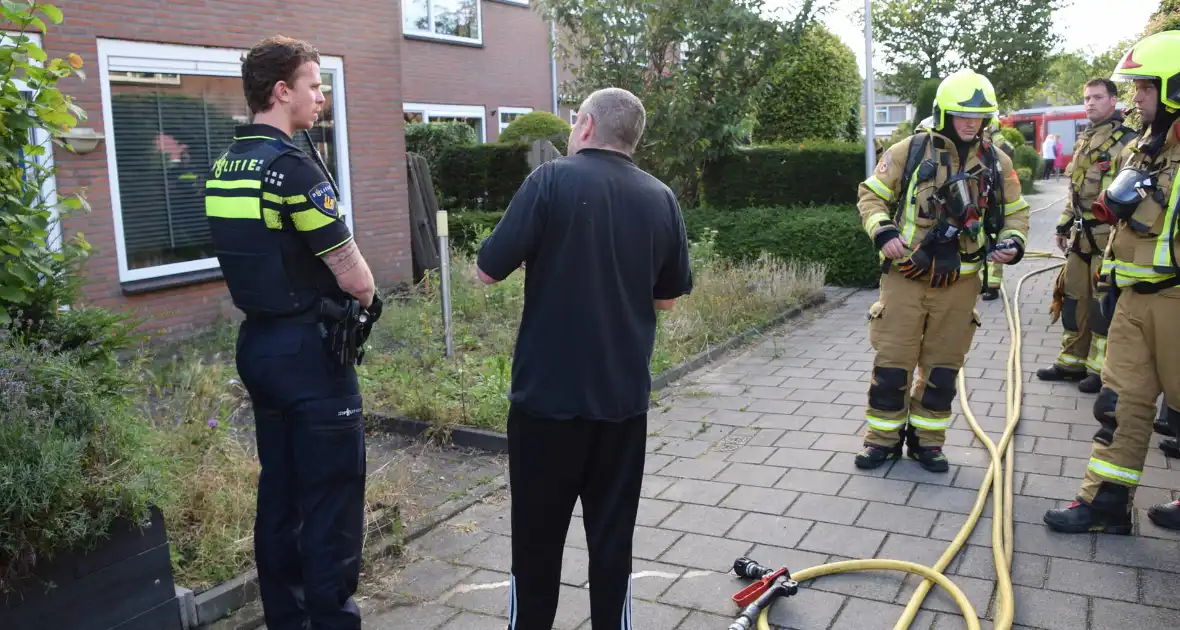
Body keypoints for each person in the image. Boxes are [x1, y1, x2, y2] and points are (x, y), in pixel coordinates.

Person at [474, 87, 693, 629]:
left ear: (587, 126)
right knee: (612, 542)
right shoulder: (660, 197)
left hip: (545, 404)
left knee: (536, 544)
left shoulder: (550, 180)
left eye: (575, 125)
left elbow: (485, 270)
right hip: (621, 403)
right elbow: (665, 297)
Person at [203, 35, 381, 629]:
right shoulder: (293, 170)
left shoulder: (225, 167)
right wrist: (369, 295)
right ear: (282, 92)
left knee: (280, 495)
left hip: (259, 348)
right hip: (311, 355)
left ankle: (287, 618)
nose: (321, 96)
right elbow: (353, 276)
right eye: (312, 84)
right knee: (329, 500)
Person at [855, 69, 1030, 473]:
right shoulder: (910, 150)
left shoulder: (997, 162)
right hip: (906, 279)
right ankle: (881, 441)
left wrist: (1012, 242)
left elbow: (1016, 213)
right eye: (963, 115)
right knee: (892, 366)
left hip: (960, 284)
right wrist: (882, 232)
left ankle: (926, 443)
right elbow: (871, 195)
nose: (972, 123)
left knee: (942, 371)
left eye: (980, 116)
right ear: (944, 113)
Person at [1043, 29, 1180, 534]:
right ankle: (1104, 504)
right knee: (1119, 404)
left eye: (1146, 87)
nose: (1136, 97)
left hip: (1177, 301)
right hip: (1135, 300)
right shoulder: (1147, 147)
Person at [1036, 79, 1137, 397]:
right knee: (1073, 302)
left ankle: (1099, 371)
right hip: (1080, 237)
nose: (1090, 103)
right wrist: (1063, 225)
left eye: (1097, 97)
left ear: (1113, 100)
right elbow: (1075, 190)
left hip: (1107, 239)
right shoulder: (1086, 139)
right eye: (1086, 98)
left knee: (1101, 306)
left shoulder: (1128, 143)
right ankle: (1071, 362)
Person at [981, 115, 1013, 301]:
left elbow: (1009, 151)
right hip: (979, 196)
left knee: (995, 240)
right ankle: (983, 283)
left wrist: (994, 137)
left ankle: (992, 285)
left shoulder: (996, 141)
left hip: (995, 195)